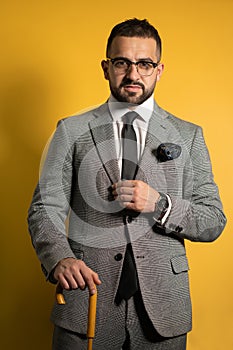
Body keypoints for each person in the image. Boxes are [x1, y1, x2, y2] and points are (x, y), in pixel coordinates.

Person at [28, 18, 226, 350]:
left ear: (159, 70)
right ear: (106, 68)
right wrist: (59, 258)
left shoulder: (189, 136)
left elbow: (213, 220)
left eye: (145, 64)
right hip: (85, 304)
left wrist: (160, 205)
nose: (133, 75)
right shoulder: (70, 130)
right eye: (122, 63)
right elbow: (45, 208)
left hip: (164, 310)